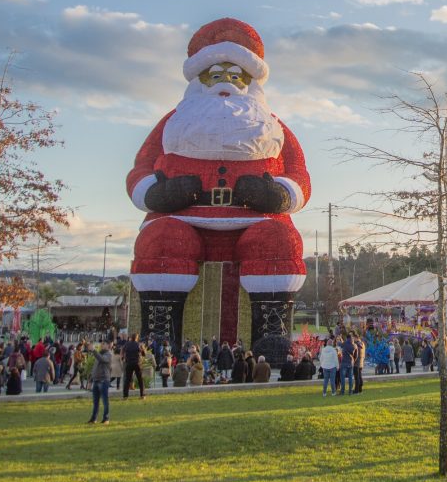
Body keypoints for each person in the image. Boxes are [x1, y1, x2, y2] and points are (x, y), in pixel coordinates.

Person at [125, 19, 312, 367]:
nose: (226, 82)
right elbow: (141, 167)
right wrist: (156, 194)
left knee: (277, 240)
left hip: (254, 219)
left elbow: (298, 173)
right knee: (162, 241)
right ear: (200, 79)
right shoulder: (175, 120)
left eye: (236, 74)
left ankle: (271, 335)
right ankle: (161, 334)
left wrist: (280, 195)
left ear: (250, 80)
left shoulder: (270, 124)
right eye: (215, 74)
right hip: (183, 216)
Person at [88, 341, 113, 424]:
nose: (101, 345)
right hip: (96, 380)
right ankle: (94, 418)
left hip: (103, 380)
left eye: (103, 344)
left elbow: (102, 360)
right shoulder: (98, 354)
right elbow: (95, 367)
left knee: (105, 401)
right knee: (95, 401)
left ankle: (106, 418)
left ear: (108, 345)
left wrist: (93, 350)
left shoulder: (108, 354)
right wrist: (91, 379)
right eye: (101, 344)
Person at [121, 333, 145, 399]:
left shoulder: (127, 344)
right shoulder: (138, 344)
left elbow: (122, 350)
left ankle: (125, 396)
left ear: (131, 337)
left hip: (128, 363)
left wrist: (123, 358)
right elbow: (143, 354)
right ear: (137, 338)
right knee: (140, 379)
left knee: (127, 380)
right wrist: (143, 349)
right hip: (137, 363)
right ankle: (142, 395)